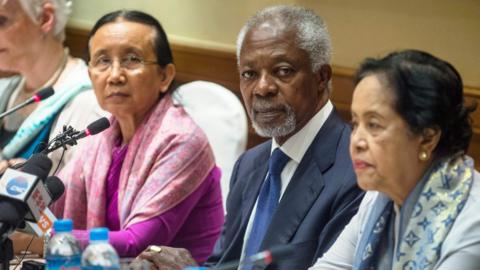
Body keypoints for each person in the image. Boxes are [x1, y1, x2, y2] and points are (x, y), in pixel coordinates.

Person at [138, 5, 364, 270]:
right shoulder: (249, 165)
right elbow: (224, 264)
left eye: (283, 71)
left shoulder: (356, 171)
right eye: (249, 74)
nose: (263, 88)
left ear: (321, 78)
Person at [51, 10, 224, 262]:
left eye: (132, 60)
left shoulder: (182, 140)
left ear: (165, 76)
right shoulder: (102, 136)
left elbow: (137, 243)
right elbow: (53, 204)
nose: (115, 75)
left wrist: (44, 241)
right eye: (102, 61)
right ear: (90, 75)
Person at [310, 50, 480, 270]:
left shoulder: (473, 221)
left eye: (374, 125)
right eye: (355, 124)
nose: (356, 142)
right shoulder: (378, 198)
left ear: (427, 138)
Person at [0, 0, 104, 172]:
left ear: (45, 19)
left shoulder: (90, 104)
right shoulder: (4, 89)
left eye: (2, 21)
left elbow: (80, 193)